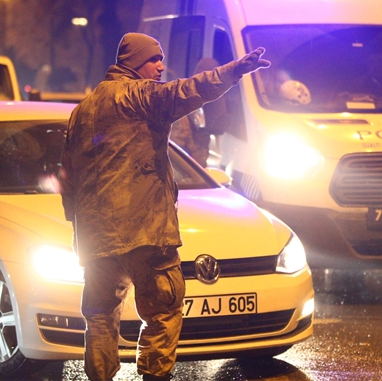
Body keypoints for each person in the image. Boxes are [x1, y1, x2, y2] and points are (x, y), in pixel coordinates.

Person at [59, 33, 269, 381]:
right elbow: (188, 90)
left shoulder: (84, 109)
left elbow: (68, 175)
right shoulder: (139, 95)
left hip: (96, 239)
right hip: (145, 233)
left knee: (99, 315)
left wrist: (79, 225)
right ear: (131, 62)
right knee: (163, 311)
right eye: (153, 59)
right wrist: (234, 71)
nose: (160, 66)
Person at [169, 58, 220, 167]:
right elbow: (175, 151)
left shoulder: (207, 101)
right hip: (183, 173)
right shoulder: (183, 101)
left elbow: (218, 125)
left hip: (196, 169)